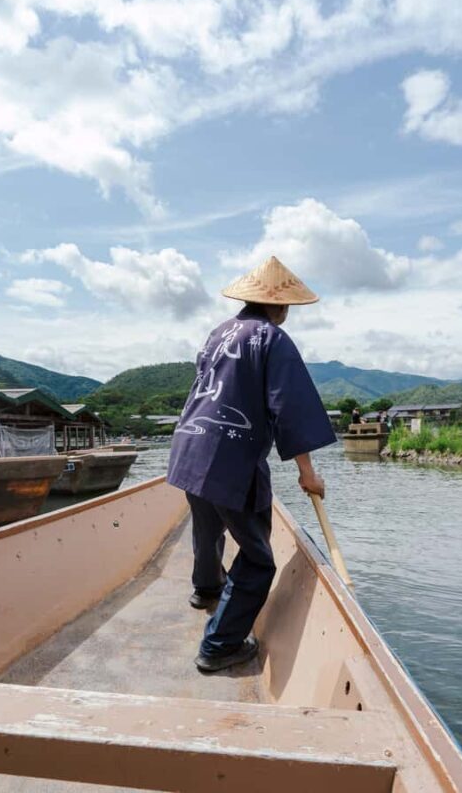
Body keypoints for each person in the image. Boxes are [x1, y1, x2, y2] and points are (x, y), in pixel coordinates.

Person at [167, 256, 337, 673]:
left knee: (207, 527)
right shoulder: (270, 338)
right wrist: (307, 473)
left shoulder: (217, 334)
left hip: (190, 447)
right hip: (230, 456)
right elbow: (290, 409)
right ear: (280, 307)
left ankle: (206, 590)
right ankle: (220, 646)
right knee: (259, 558)